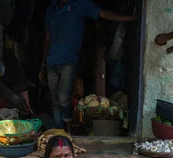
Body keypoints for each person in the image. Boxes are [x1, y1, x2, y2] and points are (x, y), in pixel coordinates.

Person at [40, 0, 135, 132]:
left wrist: (130, 18)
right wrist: (42, 64)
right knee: (55, 102)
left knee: (63, 98)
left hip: (69, 61)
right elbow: (47, 39)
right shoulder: (51, 9)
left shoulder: (80, 5)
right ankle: (58, 133)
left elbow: (103, 14)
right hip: (51, 62)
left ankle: (67, 131)